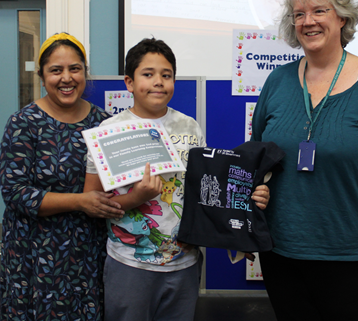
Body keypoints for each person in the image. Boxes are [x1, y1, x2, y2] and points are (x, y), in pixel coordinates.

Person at [251, 0, 358, 320]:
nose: (308, 21)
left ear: (342, 18)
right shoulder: (278, 81)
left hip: (350, 250)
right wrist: (254, 197)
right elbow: (257, 159)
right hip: (281, 247)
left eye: (319, 11)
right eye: (299, 14)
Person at [0, 33, 124, 321]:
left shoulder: (104, 123)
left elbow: (117, 187)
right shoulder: (23, 123)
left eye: (75, 68)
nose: (66, 78)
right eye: (56, 70)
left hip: (87, 254)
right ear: (42, 76)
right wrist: (80, 201)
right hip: (34, 256)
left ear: (84, 72)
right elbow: (16, 193)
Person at [83, 38, 206, 321]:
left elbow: (200, 189)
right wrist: (137, 198)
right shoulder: (109, 131)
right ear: (129, 82)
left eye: (166, 75)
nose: (158, 82)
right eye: (148, 74)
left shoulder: (189, 126)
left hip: (184, 263)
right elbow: (91, 201)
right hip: (130, 264)